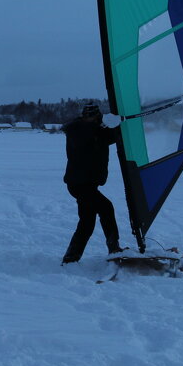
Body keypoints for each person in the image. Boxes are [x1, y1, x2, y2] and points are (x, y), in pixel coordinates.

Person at [60, 102, 124, 264]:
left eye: (95, 118)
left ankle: (71, 258)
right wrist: (108, 125)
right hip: (79, 184)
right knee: (106, 208)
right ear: (84, 117)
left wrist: (119, 124)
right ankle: (114, 248)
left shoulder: (95, 132)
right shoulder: (78, 130)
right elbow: (91, 137)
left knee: (87, 222)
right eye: (90, 117)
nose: (92, 120)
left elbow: (108, 137)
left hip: (87, 183)